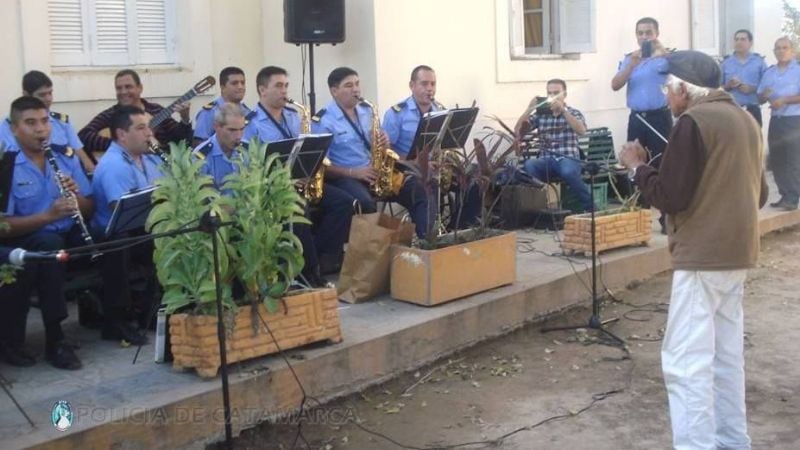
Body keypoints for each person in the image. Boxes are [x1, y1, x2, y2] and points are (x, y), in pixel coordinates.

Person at [619, 50, 768, 450]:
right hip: (737, 253)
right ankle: (733, 441)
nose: (666, 97)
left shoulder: (692, 122)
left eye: (668, 89)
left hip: (702, 257)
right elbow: (759, 194)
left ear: (684, 90)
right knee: (725, 358)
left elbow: (671, 197)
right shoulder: (745, 119)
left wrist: (637, 167)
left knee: (686, 362)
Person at [0, 96, 93, 370]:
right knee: (49, 247)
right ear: (14, 129)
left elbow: (89, 206)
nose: (41, 129)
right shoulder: (6, 166)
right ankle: (56, 340)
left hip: (66, 232)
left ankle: (116, 318)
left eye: (44, 121)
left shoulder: (65, 156)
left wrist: (77, 197)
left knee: (108, 234)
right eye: (31, 123)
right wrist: (47, 216)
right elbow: (3, 227)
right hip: (25, 239)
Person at [243, 66, 355, 274]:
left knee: (344, 202)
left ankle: (321, 255)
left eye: (286, 86)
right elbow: (250, 164)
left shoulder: (294, 116)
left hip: (303, 181)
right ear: (262, 90)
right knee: (299, 210)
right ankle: (308, 270)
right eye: (278, 86)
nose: (284, 91)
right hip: (274, 188)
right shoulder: (251, 123)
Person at [312, 67, 428, 239]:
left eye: (357, 84)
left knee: (416, 189)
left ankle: (426, 241)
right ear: (334, 91)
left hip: (375, 171)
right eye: (349, 85)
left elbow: (380, 147)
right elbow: (321, 166)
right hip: (346, 177)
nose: (356, 89)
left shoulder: (367, 111)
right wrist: (354, 173)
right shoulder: (323, 121)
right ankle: (368, 250)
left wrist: (385, 143)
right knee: (365, 203)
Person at [90, 105, 164, 345]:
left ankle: (152, 310)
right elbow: (120, 210)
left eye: (148, 127)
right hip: (114, 235)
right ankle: (117, 321)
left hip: (142, 227)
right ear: (122, 134)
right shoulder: (114, 164)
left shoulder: (148, 157)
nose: (149, 133)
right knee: (125, 244)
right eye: (141, 128)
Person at [383, 65, 481, 229]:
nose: (430, 89)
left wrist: (448, 162)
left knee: (476, 179)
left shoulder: (441, 111)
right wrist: (415, 163)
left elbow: (448, 144)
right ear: (412, 85)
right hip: (408, 169)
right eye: (424, 84)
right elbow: (387, 152)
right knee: (428, 187)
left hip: (436, 166)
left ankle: (456, 229)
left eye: (433, 84)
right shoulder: (396, 113)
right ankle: (429, 238)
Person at [514, 79, 591, 212]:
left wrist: (564, 111)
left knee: (567, 171)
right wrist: (530, 109)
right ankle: (539, 209)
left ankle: (590, 207)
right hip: (546, 160)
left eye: (556, 93)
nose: (552, 96)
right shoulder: (541, 115)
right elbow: (518, 130)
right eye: (549, 93)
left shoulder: (574, 112)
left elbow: (581, 131)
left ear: (564, 94)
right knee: (530, 165)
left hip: (568, 158)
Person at [78, 69, 193, 155]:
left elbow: (182, 141)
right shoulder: (112, 115)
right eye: (119, 88)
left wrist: (185, 119)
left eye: (128, 87)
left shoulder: (156, 110)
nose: (123, 92)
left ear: (140, 88)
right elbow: (83, 136)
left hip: (163, 167)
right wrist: (123, 145)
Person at [0, 71, 96, 172]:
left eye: (50, 93)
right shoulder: (7, 128)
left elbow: (81, 156)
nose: (48, 99)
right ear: (26, 95)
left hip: (66, 178)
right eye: (42, 95)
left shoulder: (62, 123)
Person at [611, 17, 671, 166]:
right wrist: (631, 66)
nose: (644, 37)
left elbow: (680, 71)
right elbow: (615, 85)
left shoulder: (665, 57)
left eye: (648, 33)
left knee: (661, 162)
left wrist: (662, 51)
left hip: (659, 117)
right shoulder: (630, 59)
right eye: (640, 33)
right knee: (633, 161)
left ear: (657, 34)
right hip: (637, 118)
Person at [757, 37, 800, 211]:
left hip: (794, 119)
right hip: (776, 119)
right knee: (777, 158)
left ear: (792, 51)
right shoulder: (770, 73)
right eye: (778, 48)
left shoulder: (798, 71)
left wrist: (785, 100)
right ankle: (785, 194)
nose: (781, 51)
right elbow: (759, 97)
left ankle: (793, 196)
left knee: (793, 158)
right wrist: (764, 95)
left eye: (785, 48)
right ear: (774, 52)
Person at [192, 66, 250, 146]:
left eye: (243, 83)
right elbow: (200, 144)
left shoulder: (247, 112)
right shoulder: (209, 112)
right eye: (234, 83)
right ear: (223, 88)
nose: (240, 87)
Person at [721, 29, 767, 126]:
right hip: (732, 109)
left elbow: (767, 86)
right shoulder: (726, 63)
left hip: (753, 109)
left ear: (750, 43)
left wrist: (752, 89)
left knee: (754, 136)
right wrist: (728, 85)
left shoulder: (759, 62)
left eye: (743, 39)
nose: (739, 42)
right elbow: (717, 88)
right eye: (736, 39)